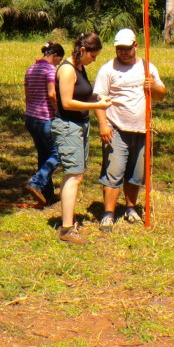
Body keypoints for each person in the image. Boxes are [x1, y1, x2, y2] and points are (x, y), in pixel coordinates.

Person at [93, 27, 166, 233]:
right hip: (116, 128)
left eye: (126, 48)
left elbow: (161, 95)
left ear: (135, 45)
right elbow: (99, 99)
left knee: (136, 173)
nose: (123, 52)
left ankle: (131, 207)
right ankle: (108, 213)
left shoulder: (147, 67)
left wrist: (153, 87)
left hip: (142, 129)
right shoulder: (108, 69)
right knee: (113, 172)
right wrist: (103, 124)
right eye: (119, 49)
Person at [53, 32, 112, 245]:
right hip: (68, 126)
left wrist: (98, 98)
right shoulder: (67, 70)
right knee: (73, 175)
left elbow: (83, 94)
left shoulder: (80, 68)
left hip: (79, 125)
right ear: (84, 51)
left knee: (76, 174)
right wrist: (97, 106)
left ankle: (69, 222)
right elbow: (67, 102)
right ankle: (67, 229)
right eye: (93, 56)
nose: (94, 60)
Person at [24, 41, 66, 206]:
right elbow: (51, 94)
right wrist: (59, 111)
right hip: (45, 118)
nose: (58, 64)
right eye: (59, 60)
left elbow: (27, 95)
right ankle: (36, 182)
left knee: (44, 154)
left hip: (30, 117)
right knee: (57, 154)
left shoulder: (30, 69)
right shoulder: (50, 70)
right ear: (55, 56)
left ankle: (47, 194)